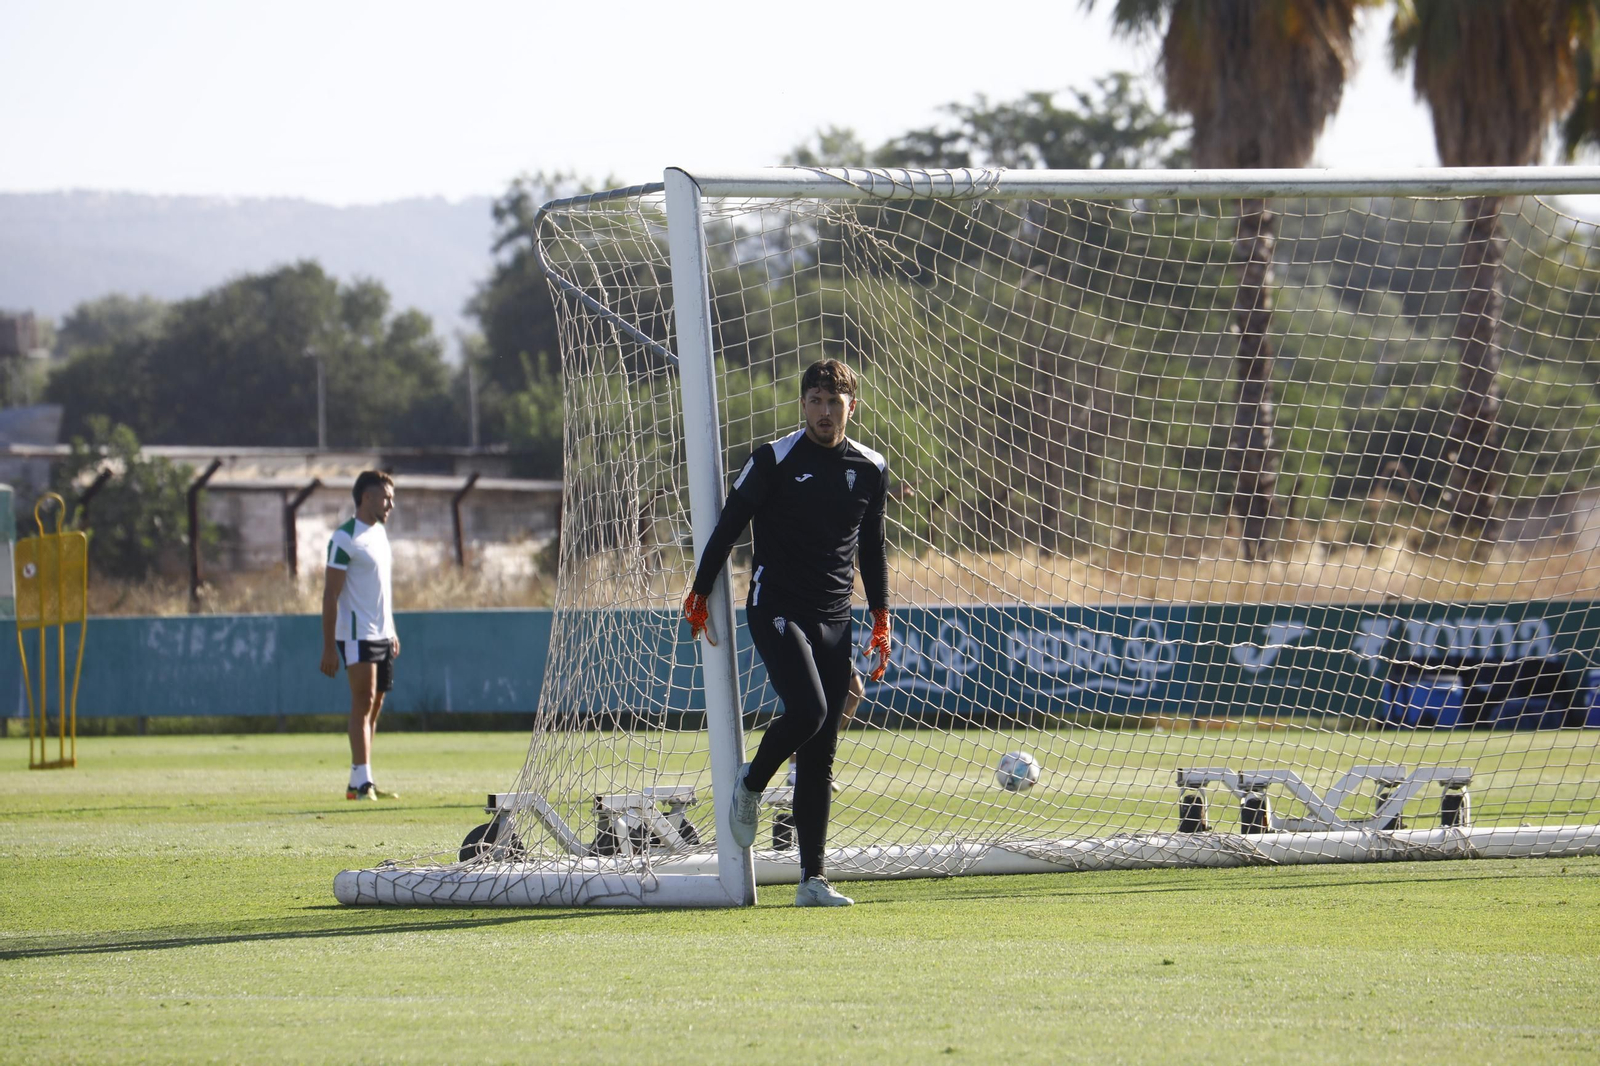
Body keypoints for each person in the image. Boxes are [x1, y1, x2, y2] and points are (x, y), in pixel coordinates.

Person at [683, 358, 892, 907]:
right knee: (811, 711)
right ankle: (751, 786)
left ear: (853, 406)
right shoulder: (773, 460)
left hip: (835, 617)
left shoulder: (870, 467)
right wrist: (700, 592)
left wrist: (882, 615)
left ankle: (812, 880)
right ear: (803, 405)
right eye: (816, 401)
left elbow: (871, 548)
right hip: (776, 607)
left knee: (820, 754)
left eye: (835, 401)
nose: (826, 411)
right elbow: (727, 528)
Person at [320, 470, 401, 801]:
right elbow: (330, 594)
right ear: (366, 498)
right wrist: (328, 646)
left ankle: (361, 778)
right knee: (363, 700)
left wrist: (391, 629)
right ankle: (360, 780)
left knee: (377, 702)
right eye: (386, 497)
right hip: (355, 633)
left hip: (382, 633)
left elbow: (382, 590)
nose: (390, 504)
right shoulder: (343, 538)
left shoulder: (380, 534)